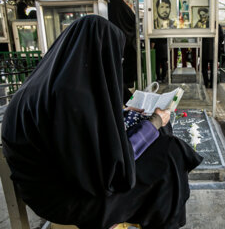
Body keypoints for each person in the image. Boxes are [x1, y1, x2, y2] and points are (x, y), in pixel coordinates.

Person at [1, 15, 202, 229]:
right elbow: (107, 172)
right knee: (169, 155)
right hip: (65, 199)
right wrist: (153, 122)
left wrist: (121, 111)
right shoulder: (70, 96)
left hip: (47, 184)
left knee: (162, 147)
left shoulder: (44, 85)